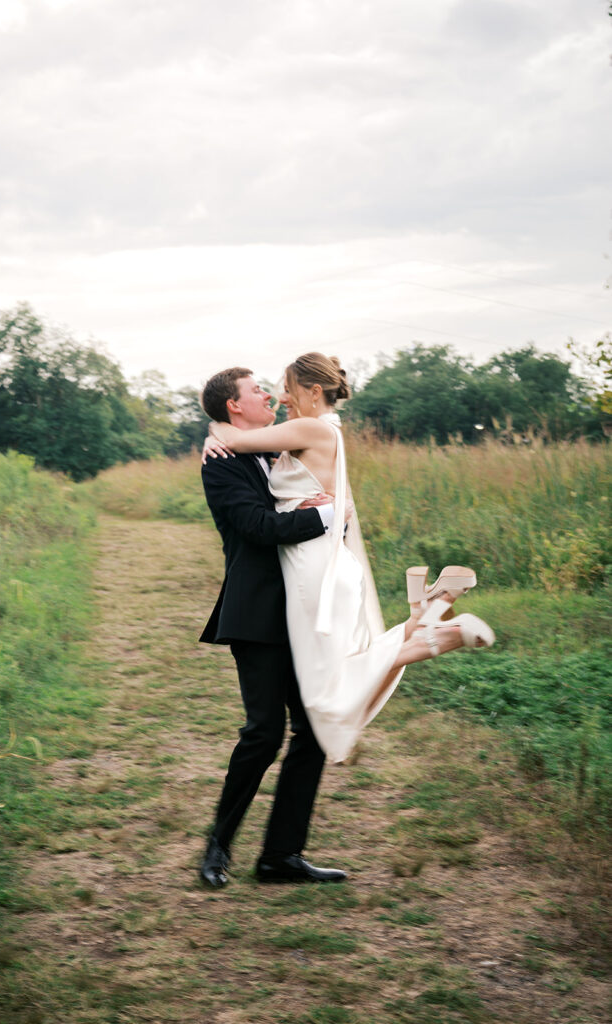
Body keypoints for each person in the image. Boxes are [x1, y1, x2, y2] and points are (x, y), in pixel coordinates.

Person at [206, 353, 494, 766]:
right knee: (335, 662)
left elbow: (232, 441)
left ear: (313, 391)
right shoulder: (318, 432)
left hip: (310, 565)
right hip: (322, 558)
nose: (282, 397)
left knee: (325, 682)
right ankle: (424, 616)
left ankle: (433, 638)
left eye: (288, 388)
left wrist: (212, 435)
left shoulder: (309, 427)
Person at [198, 366, 348, 889]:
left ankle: (281, 856)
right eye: (256, 391)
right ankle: (218, 845)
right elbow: (259, 529)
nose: (268, 395)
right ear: (234, 406)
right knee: (263, 734)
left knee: (312, 732)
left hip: (305, 610)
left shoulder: (276, 448)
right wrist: (326, 518)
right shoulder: (220, 465)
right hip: (258, 613)